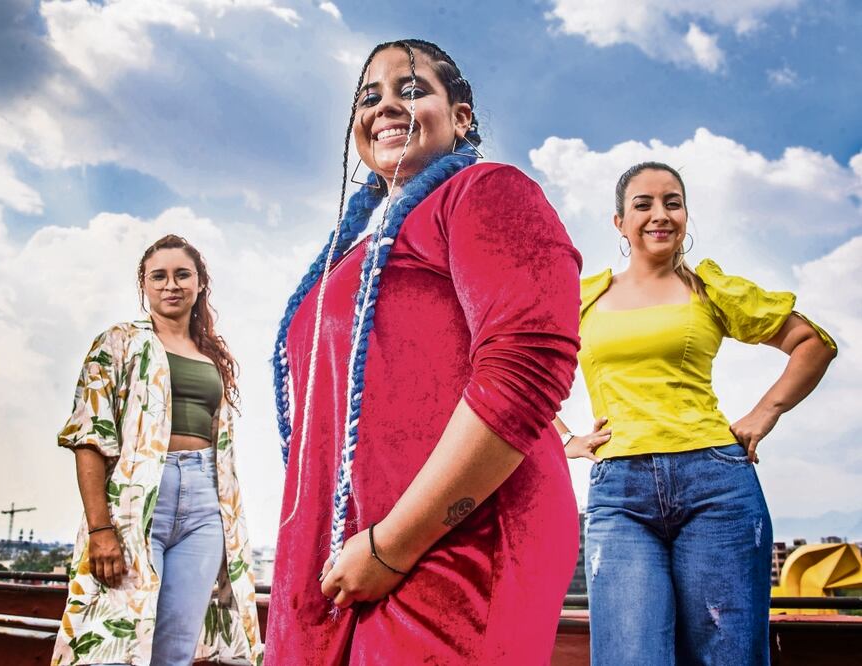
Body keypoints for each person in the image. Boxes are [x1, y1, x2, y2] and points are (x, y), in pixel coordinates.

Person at [267, 39, 582, 664]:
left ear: (461, 118)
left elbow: (526, 368)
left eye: (411, 91)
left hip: (452, 548)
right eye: (369, 96)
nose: (385, 106)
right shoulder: (354, 251)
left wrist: (391, 546)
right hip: (345, 559)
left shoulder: (485, 190)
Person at [556, 162, 838, 665]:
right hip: (620, 496)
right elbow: (516, 369)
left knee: (727, 657)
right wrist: (563, 439)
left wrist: (764, 413)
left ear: (685, 214)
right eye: (643, 204)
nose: (659, 214)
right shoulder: (585, 297)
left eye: (673, 202)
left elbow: (811, 343)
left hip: (718, 487)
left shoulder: (708, 289)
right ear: (619, 222)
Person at [52, 235, 262, 666]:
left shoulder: (212, 356)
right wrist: (99, 529)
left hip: (206, 503)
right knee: (115, 641)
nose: (171, 285)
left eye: (183, 274)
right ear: (144, 286)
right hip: (138, 500)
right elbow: (89, 436)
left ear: (200, 283)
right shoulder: (117, 342)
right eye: (159, 276)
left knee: (175, 648)